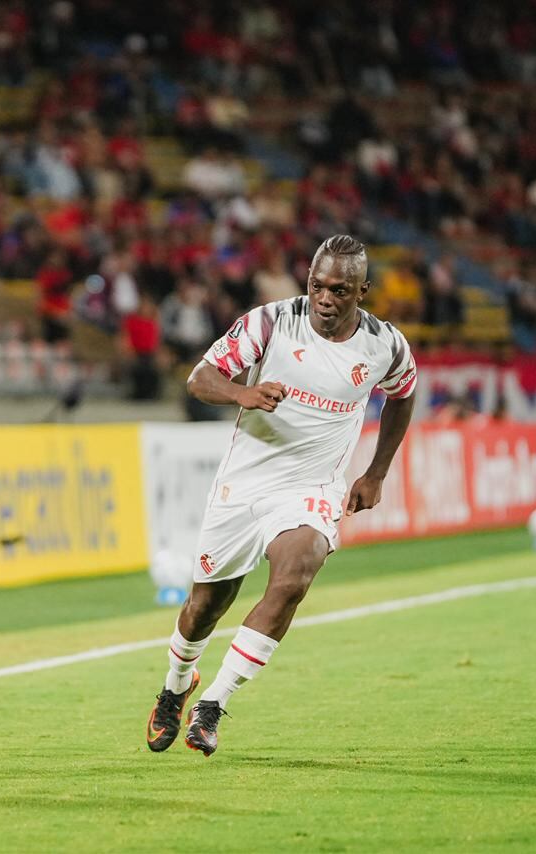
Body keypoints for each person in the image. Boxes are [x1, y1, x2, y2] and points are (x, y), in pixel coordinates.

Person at [145, 235, 417, 757]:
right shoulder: (269, 322)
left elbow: (403, 395)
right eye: (317, 285)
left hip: (310, 488)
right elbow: (200, 378)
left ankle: (213, 706)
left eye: (340, 290)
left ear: (363, 291)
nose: (325, 298)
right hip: (243, 483)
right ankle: (177, 686)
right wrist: (242, 393)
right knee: (205, 608)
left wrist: (376, 472)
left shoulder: (385, 344)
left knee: (297, 571)